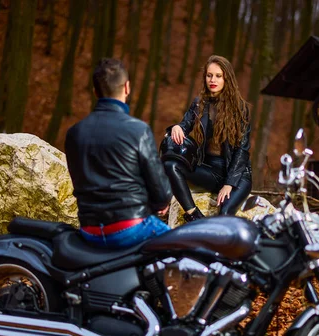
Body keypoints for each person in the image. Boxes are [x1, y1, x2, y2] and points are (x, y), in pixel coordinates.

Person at [65, 58, 172, 248]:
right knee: (187, 251)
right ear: (127, 87)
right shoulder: (138, 130)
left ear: (95, 91)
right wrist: (158, 205)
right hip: (132, 228)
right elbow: (162, 193)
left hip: (89, 230)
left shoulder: (75, 133)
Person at [164, 55, 252, 222]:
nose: (213, 80)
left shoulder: (241, 108)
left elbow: (242, 150)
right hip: (209, 169)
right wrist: (176, 127)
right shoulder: (199, 103)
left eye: (218, 76)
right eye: (209, 75)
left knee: (224, 214)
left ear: (227, 78)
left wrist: (229, 184)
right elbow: (185, 124)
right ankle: (194, 215)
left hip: (237, 175)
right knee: (170, 165)